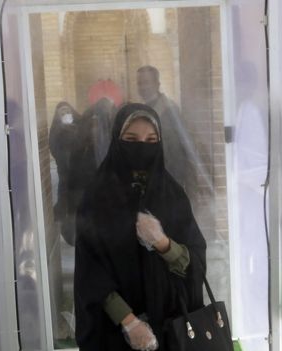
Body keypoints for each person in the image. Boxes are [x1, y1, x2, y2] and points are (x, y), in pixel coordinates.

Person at [74, 103, 207, 351]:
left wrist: (163, 244)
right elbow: (89, 271)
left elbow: (195, 261)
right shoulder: (97, 197)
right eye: (131, 138)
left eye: (151, 139)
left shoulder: (172, 194)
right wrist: (129, 322)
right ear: (117, 140)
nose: (142, 146)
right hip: (114, 334)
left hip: (171, 330)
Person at [136, 66, 198, 192]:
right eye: (140, 83)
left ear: (157, 84)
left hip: (166, 179)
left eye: (146, 82)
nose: (142, 87)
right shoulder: (140, 110)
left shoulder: (169, 110)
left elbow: (176, 151)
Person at [49, 101, 97, 245]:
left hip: (85, 179)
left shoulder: (82, 127)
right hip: (68, 181)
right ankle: (73, 237)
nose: (66, 115)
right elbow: (59, 153)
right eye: (62, 113)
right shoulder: (57, 132)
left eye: (67, 111)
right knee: (71, 210)